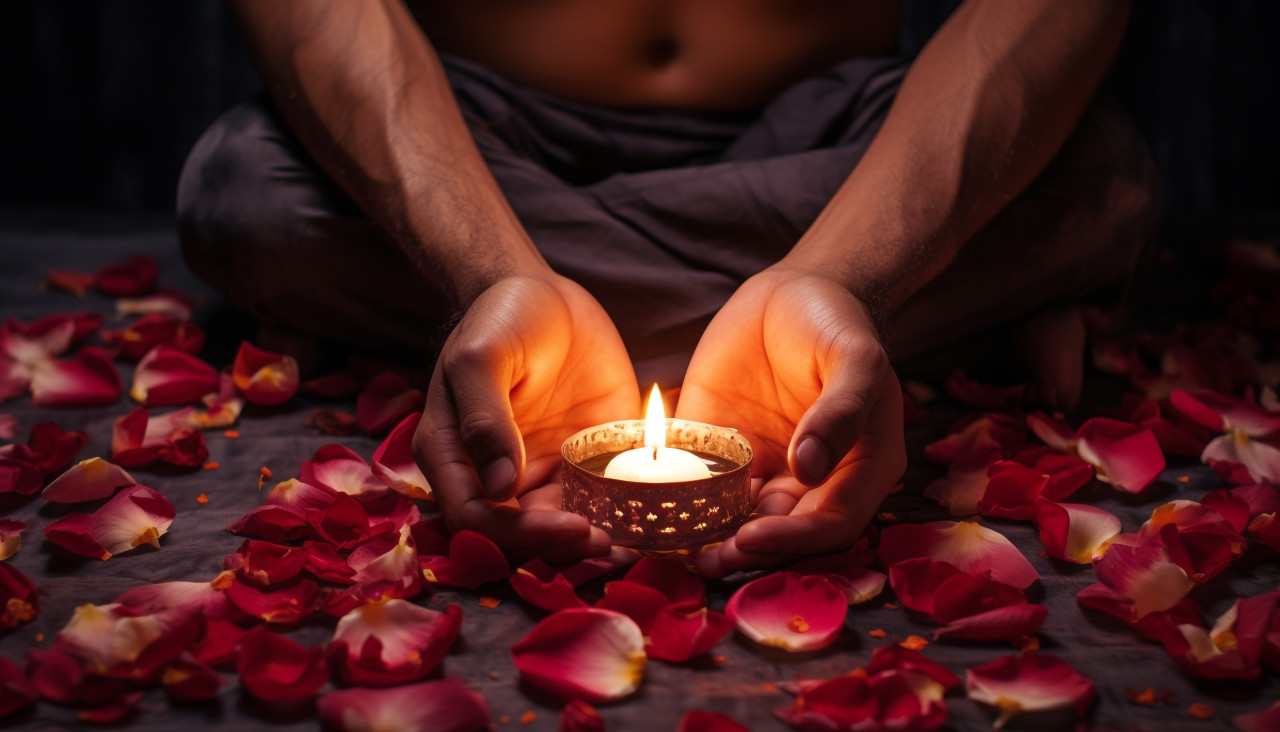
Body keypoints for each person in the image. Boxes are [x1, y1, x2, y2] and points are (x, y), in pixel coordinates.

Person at [178, 0, 1157, 576]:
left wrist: (837, 269)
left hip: (831, 139)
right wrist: (493, 266)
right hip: (472, 136)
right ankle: (887, 328)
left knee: (1092, 171)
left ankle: (505, 331)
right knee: (249, 187)